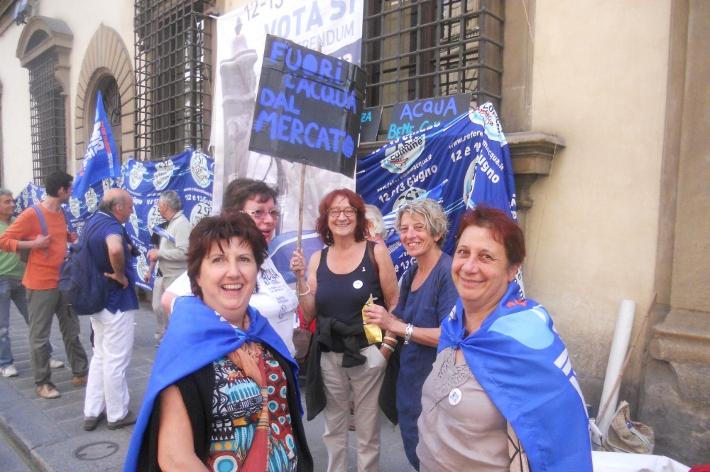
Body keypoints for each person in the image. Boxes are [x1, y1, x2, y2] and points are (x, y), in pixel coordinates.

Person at [124, 212, 312, 471]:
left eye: (244, 259)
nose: (233, 272)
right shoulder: (187, 343)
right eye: (218, 260)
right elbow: (175, 459)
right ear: (197, 275)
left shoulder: (259, 328)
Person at [416, 206, 593, 471]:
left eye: (486, 257)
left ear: (512, 270)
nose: (469, 266)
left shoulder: (525, 340)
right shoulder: (455, 322)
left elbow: (564, 440)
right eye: (463, 252)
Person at [290, 188, 399, 472]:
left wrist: (385, 351)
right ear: (326, 220)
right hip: (329, 356)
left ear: (358, 216)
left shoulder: (376, 252)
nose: (342, 217)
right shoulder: (317, 259)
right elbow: (310, 311)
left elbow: (396, 304)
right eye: (335, 211)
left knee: (366, 433)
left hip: (368, 353)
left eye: (349, 210)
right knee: (333, 430)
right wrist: (300, 278)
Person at [364, 198, 458, 469]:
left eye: (419, 227)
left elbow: (447, 336)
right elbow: (401, 320)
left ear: (437, 232)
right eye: (404, 229)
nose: (409, 235)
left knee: (434, 458)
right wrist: (380, 332)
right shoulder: (413, 270)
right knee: (414, 448)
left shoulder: (447, 272)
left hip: (436, 385)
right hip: (410, 381)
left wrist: (393, 325)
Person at [162, 178, 299, 355]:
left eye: (273, 212)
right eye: (258, 212)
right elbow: (169, 300)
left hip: (280, 369)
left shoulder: (264, 257)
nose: (269, 220)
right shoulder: (219, 261)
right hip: (245, 374)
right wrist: (224, 343)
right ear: (234, 214)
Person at [0, 171, 88, 399]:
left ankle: (80, 372)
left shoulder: (61, 212)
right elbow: (4, 240)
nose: (71, 192)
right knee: (39, 335)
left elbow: (58, 237)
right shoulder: (31, 214)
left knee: (71, 329)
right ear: (61, 190)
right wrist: (34, 244)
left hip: (63, 282)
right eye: (69, 188)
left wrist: (68, 238)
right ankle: (42, 383)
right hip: (40, 284)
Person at [82, 189, 139, 431]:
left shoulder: (93, 220)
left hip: (97, 299)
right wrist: (119, 274)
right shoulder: (112, 227)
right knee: (116, 359)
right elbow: (115, 249)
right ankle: (117, 413)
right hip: (116, 301)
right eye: (130, 207)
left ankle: (92, 411)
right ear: (118, 208)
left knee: (101, 357)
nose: (132, 211)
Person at [145, 190, 191, 342]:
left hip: (175, 277)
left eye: (159, 204)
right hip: (164, 275)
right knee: (158, 307)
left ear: (165, 205)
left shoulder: (182, 224)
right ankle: (166, 338)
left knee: (174, 313)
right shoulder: (172, 223)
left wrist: (160, 253)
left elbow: (185, 253)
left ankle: (176, 341)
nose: (158, 207)